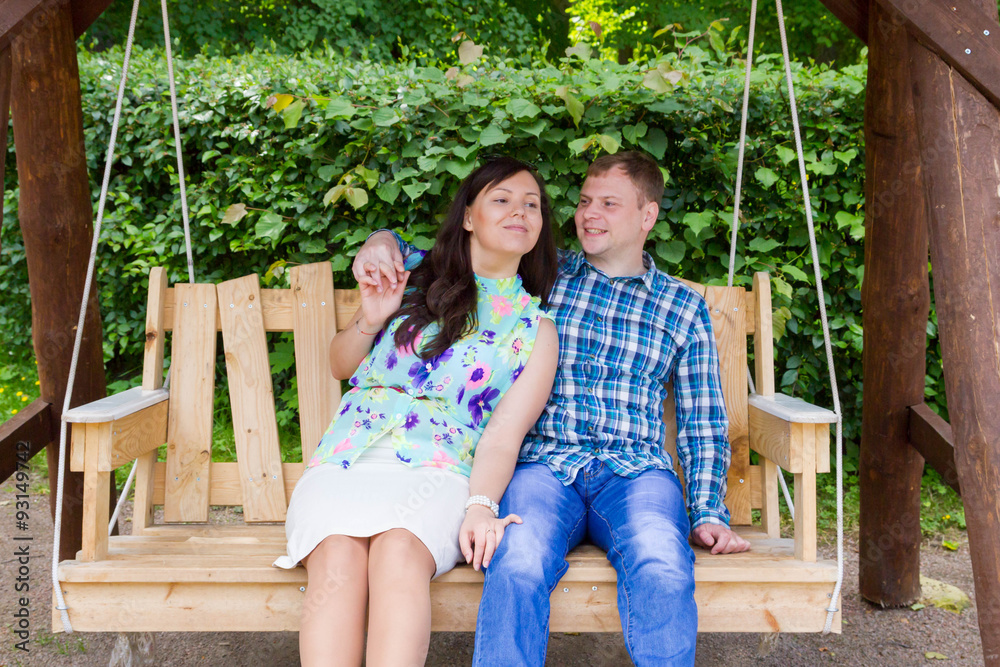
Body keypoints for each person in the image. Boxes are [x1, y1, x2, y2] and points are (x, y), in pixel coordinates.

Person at [355, 150, 751, 666]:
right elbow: (441, 253)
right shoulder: (542, 272)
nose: (590, 214)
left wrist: (707, 510)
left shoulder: (682, 306)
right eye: (585, 201)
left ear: (647, 215)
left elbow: (702, 421)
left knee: (661, 564)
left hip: (636, 472)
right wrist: (381, 240)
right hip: (543, 465)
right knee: (517, 560)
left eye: (609, 203)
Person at [274, 156, 559, 667]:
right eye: (502, 199)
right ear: (468, 216)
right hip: (348, 460)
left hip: (439, 473)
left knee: (400, 551)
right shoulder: (411, 279)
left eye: (531, 204)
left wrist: (481, 505)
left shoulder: (534, 329)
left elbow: (504, 434)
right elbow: (340, 364)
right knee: (336, 557)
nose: (519, 211)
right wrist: (371, 318)